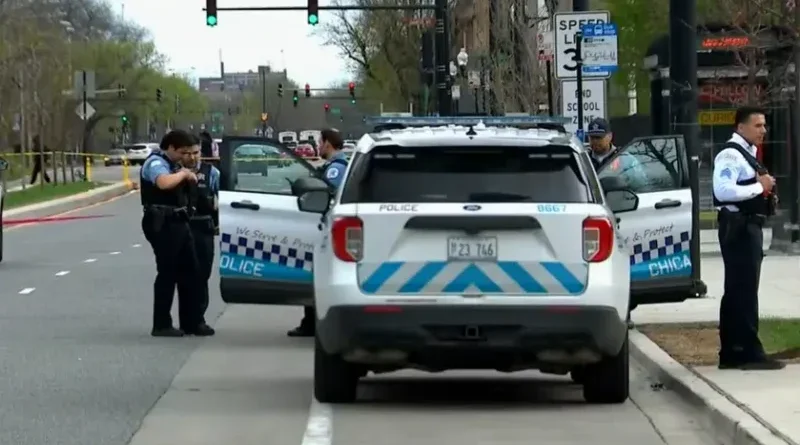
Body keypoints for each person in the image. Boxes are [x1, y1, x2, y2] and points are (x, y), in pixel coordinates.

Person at [712, 106, 783, 370]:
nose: (763, 130)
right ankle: (747, 351)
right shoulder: (731, 155)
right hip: (739, 228)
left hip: (747, 227)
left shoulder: (748, 153)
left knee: (739, 290)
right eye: (758, 125)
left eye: (764, 125)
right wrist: (760, 186)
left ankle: (733, 350)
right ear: (740, 127)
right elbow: (722, 190)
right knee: (743, 291)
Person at [140, 130, 202, 337]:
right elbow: (163, 183)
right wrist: (184, 174)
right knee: (168, 272)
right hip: (161, 222)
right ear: (171, 148)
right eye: (184, 152)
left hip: (178, 220)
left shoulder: (176, 165)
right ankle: (161, 323)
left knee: (191, 271)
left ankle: (191, 322)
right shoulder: (156, 163)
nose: (188, 156)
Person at [287, 128, 348, 337]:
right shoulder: (336, 166)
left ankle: (312, 323)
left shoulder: (335, 169)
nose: (317, 147)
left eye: (319, 142)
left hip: (327, 227)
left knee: (316, 274)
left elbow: (327, 192)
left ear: (328, 143)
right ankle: (310, 322)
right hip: (329, 226)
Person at [175, 142, 219, 336]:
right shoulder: (173, 173)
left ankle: (198, 319)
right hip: (180, 227)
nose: (192, 158)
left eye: (195, 153)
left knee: (201, 275)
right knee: (183, 276)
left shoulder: (212, 173)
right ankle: (186, 321)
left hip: (203, 227)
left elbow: (221, 198)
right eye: (187, 153)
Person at [587, 118, 648, 190]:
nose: (595, 141)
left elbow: (640, 185)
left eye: (599, 138)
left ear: (610, 136)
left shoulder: (625, 159)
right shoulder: (583, 159)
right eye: (592, 137)